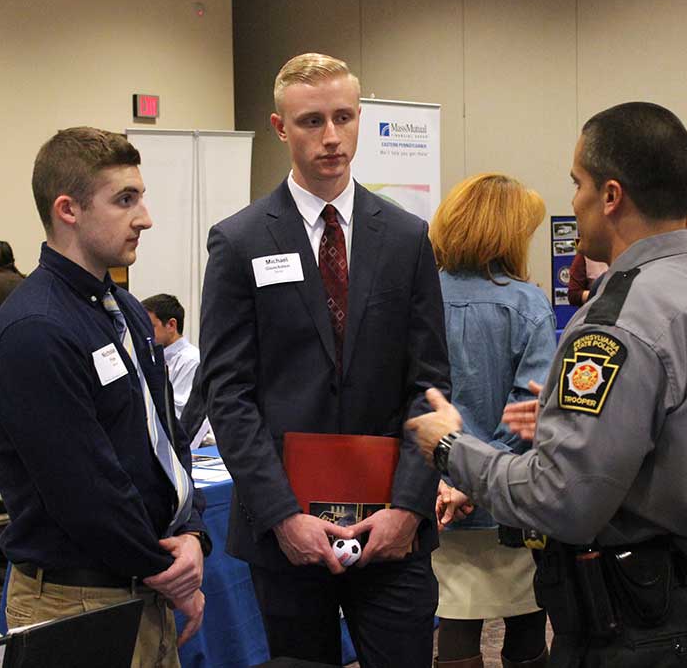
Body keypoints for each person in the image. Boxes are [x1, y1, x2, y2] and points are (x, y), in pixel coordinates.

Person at [408, 102, 687, 667]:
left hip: (635, 624)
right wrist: (564, 420)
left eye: (576, 184)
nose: (572, 202)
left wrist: (452, 449)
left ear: (610, 196)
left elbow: (562, 500)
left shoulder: (618, 321)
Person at [195, 52, 450, 666]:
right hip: (288, 534)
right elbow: (227, 393)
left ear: (360, 118)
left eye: (343, 117)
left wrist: (410, 509)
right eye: (312, 121)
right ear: (281, 127)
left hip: (393, 528)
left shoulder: (407, 237)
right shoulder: (241, 241)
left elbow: (431, 385)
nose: (331, 137)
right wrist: (283, 515)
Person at [0, 126, 210, 666]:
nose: (145, 217)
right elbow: (84, 488)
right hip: (76, 601)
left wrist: (194, 532)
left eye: (141, 196)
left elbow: (166, 437)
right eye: (125, 200)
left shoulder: (124, 310)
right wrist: (168, 571)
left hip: (142, 582)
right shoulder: (35, 329)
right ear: (68, 209)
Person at [427, 173, 553, 668]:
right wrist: (477, 482)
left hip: (436, 502)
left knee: (454, 631)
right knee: (525, 629)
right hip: (512, 498)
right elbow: (530, 412)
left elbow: (407, 403)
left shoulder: (418, 299)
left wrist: (448, 481)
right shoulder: (529, 305)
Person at [141, 295, 200, 421]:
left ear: (171, 325)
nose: (144, 333)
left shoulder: (191, 361)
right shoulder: (152, 358)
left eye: (150, 326)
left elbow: (177, 415)